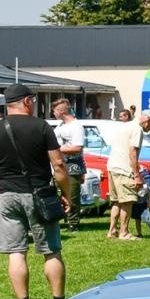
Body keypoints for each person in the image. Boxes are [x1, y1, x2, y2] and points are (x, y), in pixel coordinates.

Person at [0, 84, 71, 299]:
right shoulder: (41, 127)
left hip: (7, 197)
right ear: (27, 101)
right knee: (51, 251)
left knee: (16, 252)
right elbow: (59, 165)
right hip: (39, 194)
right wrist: (67, 194)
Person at [107, 109, 150, 239]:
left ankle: (112, 231)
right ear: (146, 120)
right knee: (127, 201)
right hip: (124, 168)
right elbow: (133, 152)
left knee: (116, 201)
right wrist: (137, 175)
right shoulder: (137, 129)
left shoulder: (124, 125)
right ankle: (124, 232)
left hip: (112, 166)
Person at [52, 97, 86, 232]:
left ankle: (74, 223)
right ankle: (62, 219)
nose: (53, 114)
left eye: (54, 111)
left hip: (72, 165)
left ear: (61, 112)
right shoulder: (60, 126)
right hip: (59, 165)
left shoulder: (76, 126)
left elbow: (77, 148)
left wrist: (55, 150)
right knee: (59, 194)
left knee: (72, 195)